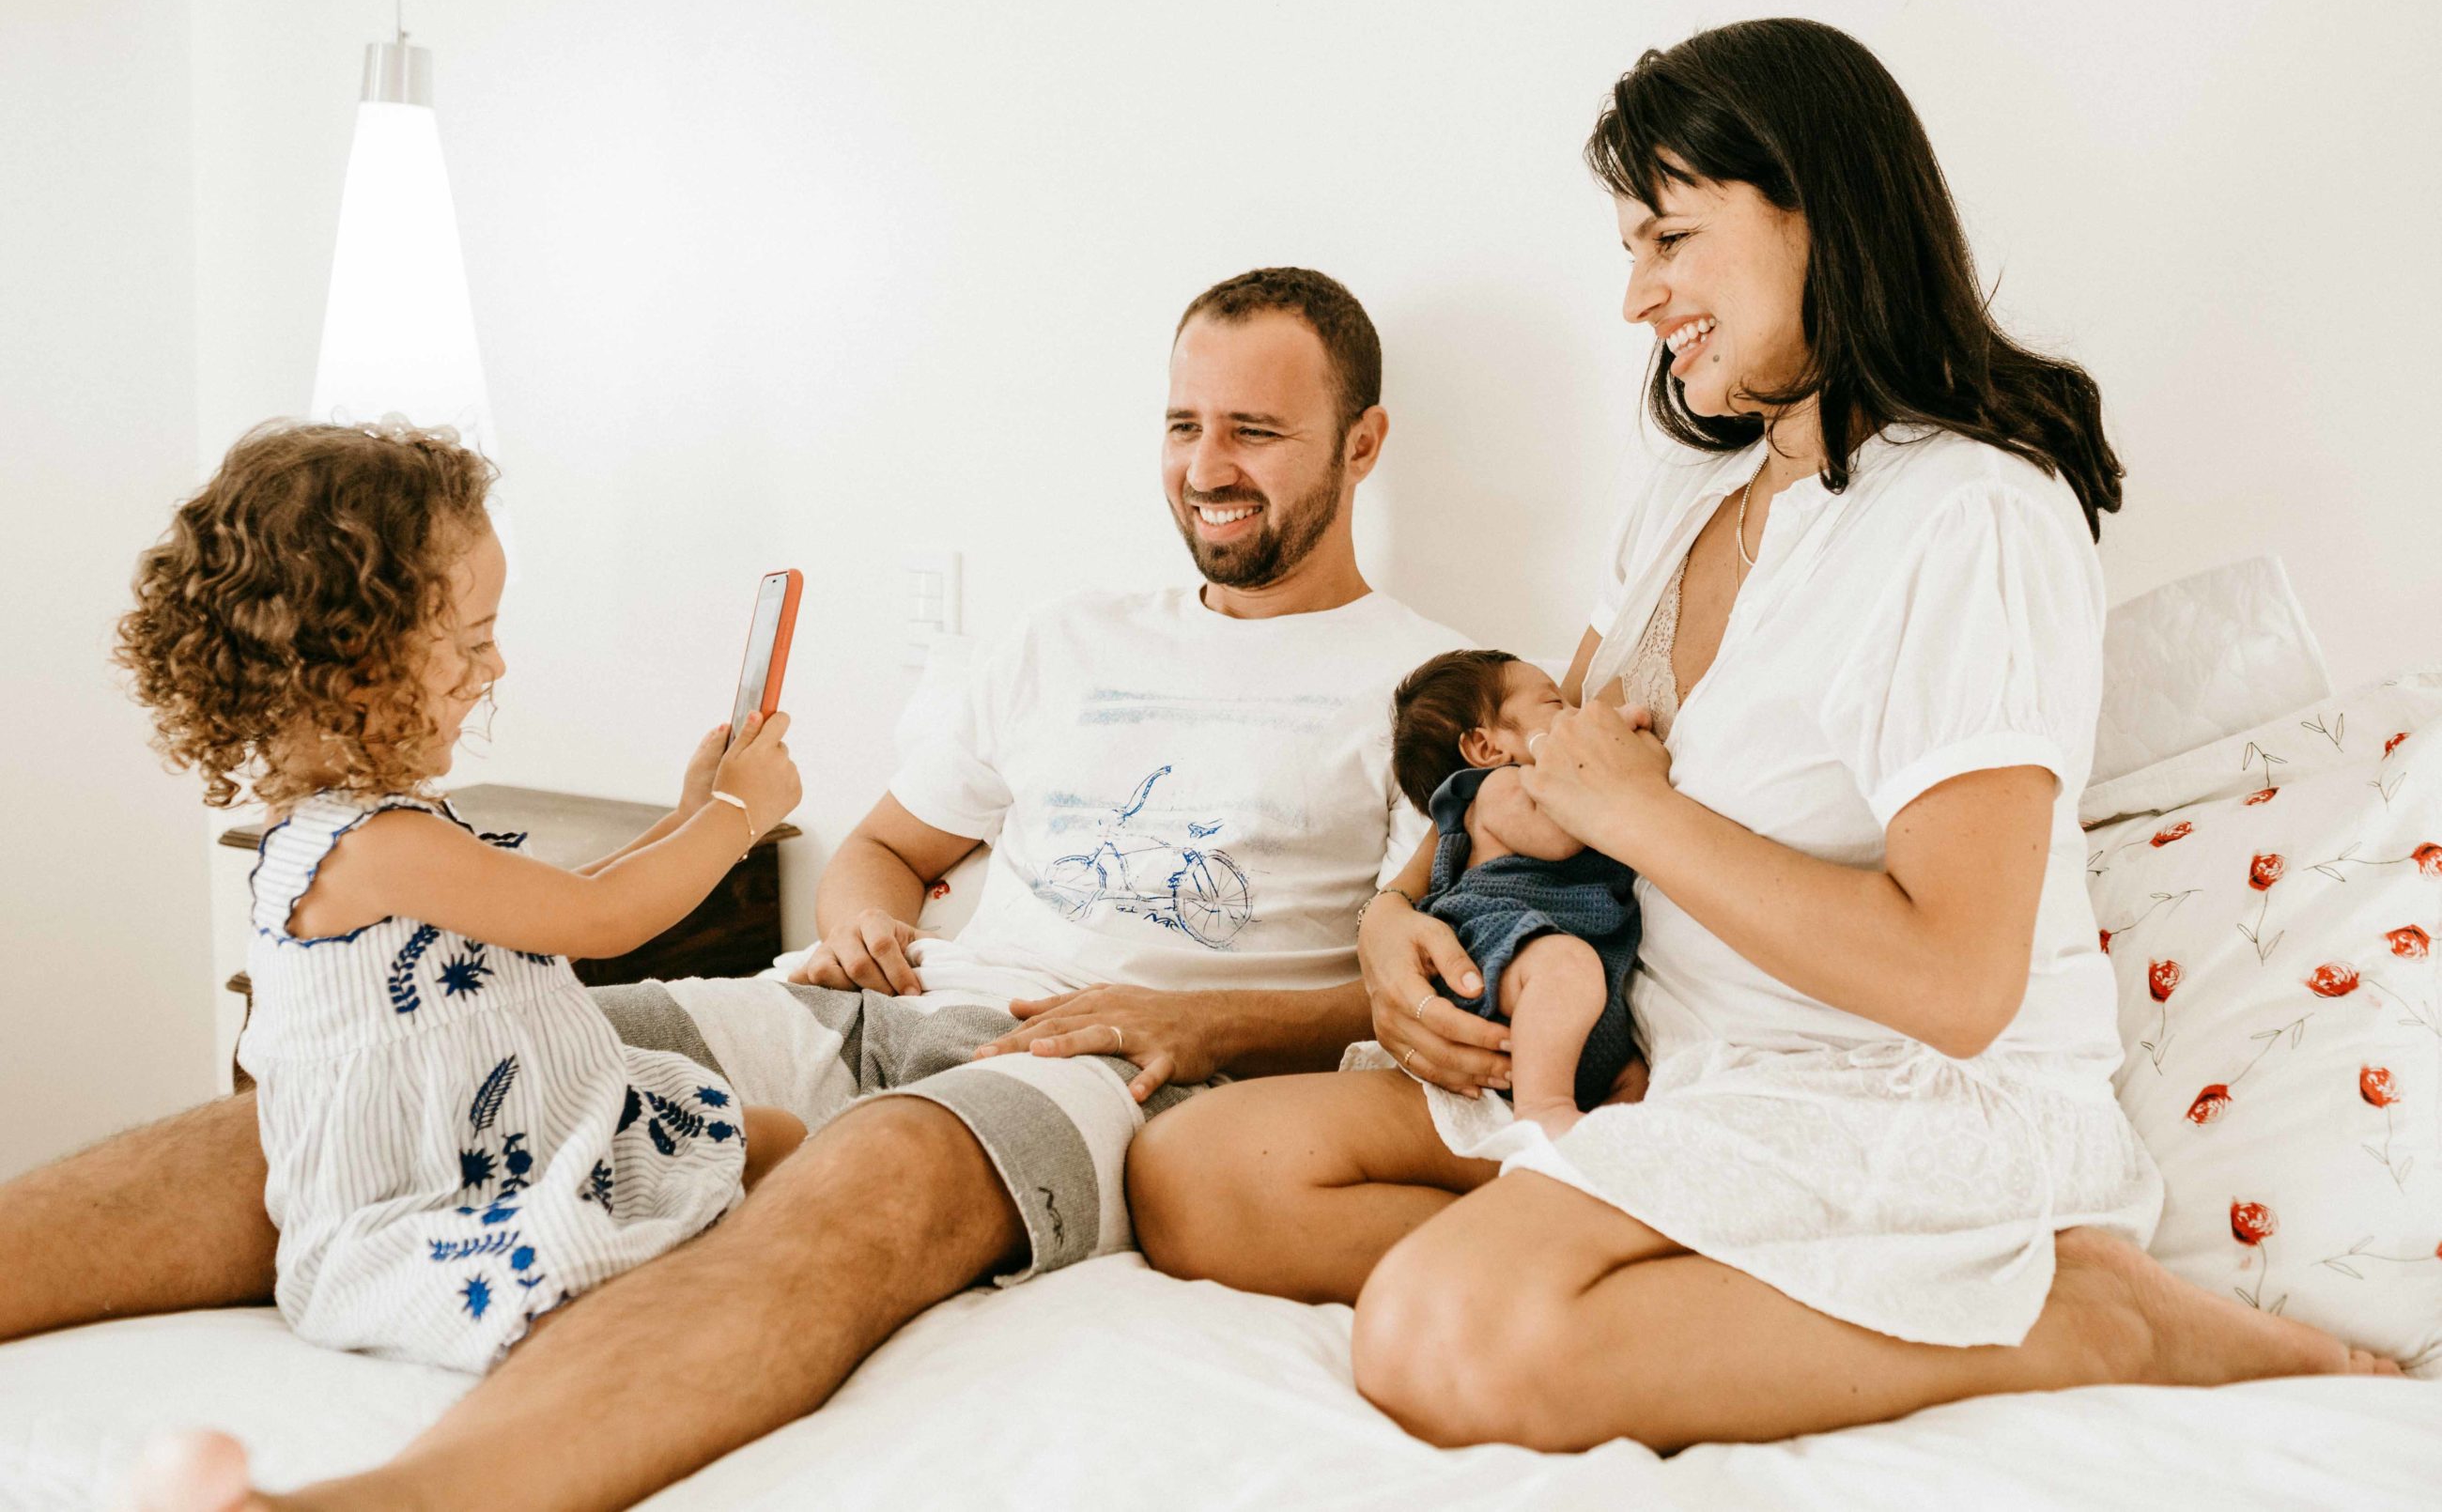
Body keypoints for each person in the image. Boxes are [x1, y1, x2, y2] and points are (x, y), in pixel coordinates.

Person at [8, 267, 1481, 1512]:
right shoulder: (1065, 638)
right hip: (868, 1001)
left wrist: (1208, 1032)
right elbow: (887, 851)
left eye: (1260, 431)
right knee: (427, 1062)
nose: (1209, 464)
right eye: (1184, 422)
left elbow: (1413, 995)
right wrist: (861, 921)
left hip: (1098, 1065)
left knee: (863, 1186)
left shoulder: (1428, 688)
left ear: (1363, 447)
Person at [1127, 19, 2400, 1456]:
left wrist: (1650, 819)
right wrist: (1391, 912)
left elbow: (1960, 977)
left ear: (1818, 211)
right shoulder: (1695, 485)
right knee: (1196, 1174)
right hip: (1665, 1054)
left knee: (1442, 1334)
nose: (1636, 296)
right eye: (1629, 246)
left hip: (1894, 1096)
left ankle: (2090, 1318)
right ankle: (1670, 1250)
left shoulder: (1969, 514)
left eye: (1669, 239)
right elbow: (1551, 767)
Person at [112, 421, 808, 1374]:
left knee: (767, 1137)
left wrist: (693, 812)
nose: (497, 669)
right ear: (353, 658)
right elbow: (603, 921)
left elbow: (562, 900)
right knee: (602, 1257)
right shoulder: (370, 846)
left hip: (529, 1133)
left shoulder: (376, 825)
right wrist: (737, 813)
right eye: (474, 641)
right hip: (439, 1190)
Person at [1384, 649, 1639, 1136]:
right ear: (1485, 748)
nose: (1576, 716)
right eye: (1554, 705)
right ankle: (1543, 1109)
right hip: (1495, 947)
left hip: (1567, 988)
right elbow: (1562, 833)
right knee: (1566, 966)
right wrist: (1613, 738)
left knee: (1634, 1072)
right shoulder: (1499, 789)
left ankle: (1603, 1134)